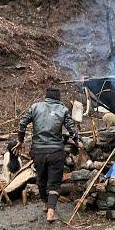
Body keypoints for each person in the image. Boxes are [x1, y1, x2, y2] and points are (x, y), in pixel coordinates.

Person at [13, 87, 83, 222]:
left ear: (46, 97)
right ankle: (51, 212)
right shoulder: (62, 110)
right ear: (58, 98)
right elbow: (71, 128)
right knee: (54, 182)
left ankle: (45, 204)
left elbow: (22, 122)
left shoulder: (35, 107)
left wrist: (21, 141)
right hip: (56, 151)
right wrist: (77, 141)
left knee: (41, 178)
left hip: (38, 151)